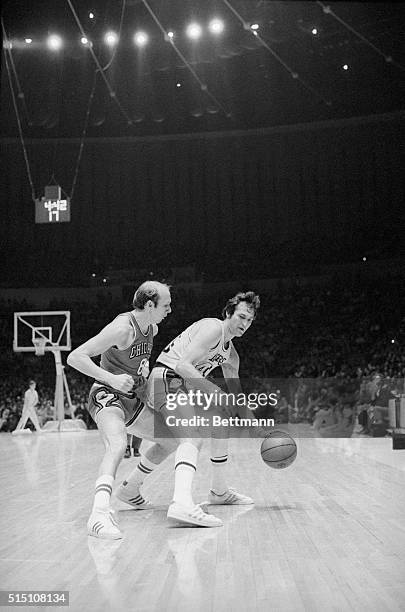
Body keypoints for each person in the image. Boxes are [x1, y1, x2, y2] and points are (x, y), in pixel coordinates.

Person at [142, 291, 261, 528]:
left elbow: (236, 396)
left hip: (184, 387)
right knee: (192, 436)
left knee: (221, 421)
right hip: (166, 378)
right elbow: (183, 366)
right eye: (241, 317)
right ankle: (182, 504)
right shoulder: (213, 327)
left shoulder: (231, 355)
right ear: (229, 313)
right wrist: (216, 393)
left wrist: (256, 425)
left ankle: (219, 491)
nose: (245, 324)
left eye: (250, 320)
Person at [67, 281, 176, 540]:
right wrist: (111, 379)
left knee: (170, 440)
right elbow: (76, 357)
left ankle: (130, 490)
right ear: (150, 305)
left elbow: (139, 363)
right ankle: (99, 514)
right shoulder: (121, 328)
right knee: (117, 445)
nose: (170, 309)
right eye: (166, 304)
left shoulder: (153, 327)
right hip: (107, 396)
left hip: (132, 398)